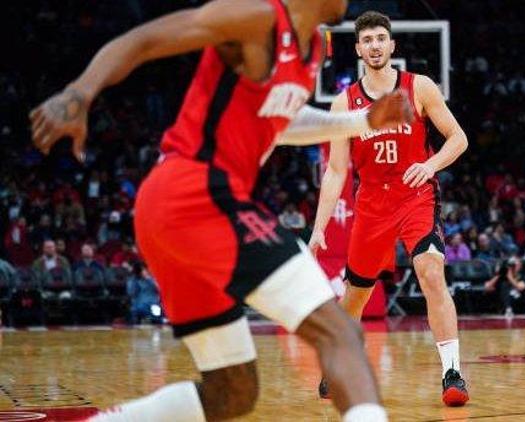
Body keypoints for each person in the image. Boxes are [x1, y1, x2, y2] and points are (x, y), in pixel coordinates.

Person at [29, 0, 413, 420]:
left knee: (232, 391)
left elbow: (279, 122)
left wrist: (363, 121)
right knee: (340, 333)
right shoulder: (255, 19)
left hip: (173, 212)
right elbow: (142, 40)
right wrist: (78, 94)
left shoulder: (313, 48)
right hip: (196, 192)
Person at [308, 10, 469, 406]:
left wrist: (429, 164)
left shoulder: (420, 87)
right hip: (372, 203)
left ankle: (453, 373)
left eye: (381, 38)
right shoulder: (344, 103)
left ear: (392, 45)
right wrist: (318, 227)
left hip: (416, 196)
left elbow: (458, 139)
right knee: (355, 297)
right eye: (368, 40)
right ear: (359, 48)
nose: (375, 45)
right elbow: (335, 172)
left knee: (431, 271)